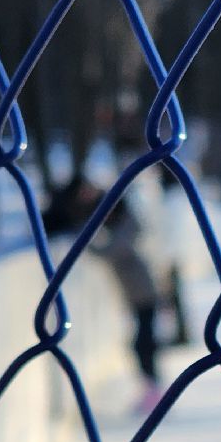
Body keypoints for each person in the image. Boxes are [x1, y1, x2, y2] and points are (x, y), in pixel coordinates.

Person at [44, 174, 165, 416]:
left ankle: (154, 392)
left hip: (145, 293)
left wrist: (83, 238)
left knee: (144, 343)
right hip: (136, 294)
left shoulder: (126, 225)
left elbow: (111, 250)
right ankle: (152, 389)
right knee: (140, 342)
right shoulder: (109, 219)